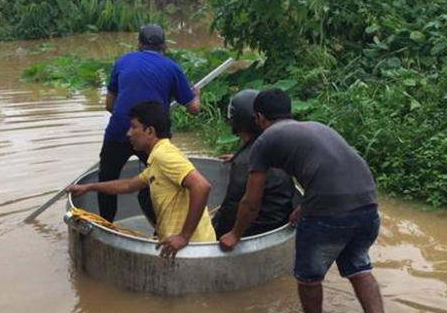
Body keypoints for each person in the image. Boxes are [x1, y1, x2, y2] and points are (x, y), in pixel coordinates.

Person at [219, 89, 395, 313]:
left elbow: (250, 202)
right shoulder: (314, 128)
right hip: (367, 203)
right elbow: (326, 169)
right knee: (359, 269)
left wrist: (234, 234)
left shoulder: (265, 141)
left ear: (259, 118)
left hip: (329, 211)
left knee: (308, 279)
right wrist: (302, 205)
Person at [69, 101, 216, 258]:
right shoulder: (157, 157)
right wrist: (89, 187)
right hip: (179, 246)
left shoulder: (164, 156)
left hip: (192, 248)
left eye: (133, 127)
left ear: (150, 131)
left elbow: (201, 186)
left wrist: (184, 236)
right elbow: (128, 185)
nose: (128, 133)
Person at [99, 24, 200, 223]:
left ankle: (106, 226)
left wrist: (129, 121)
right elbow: (194, 109)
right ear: (164, 45)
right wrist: (196, 95)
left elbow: (110, 105)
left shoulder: (122, 61)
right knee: (158, 181)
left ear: (139, 43)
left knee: (108, 180)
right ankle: (160, 225)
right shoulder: (172, 67)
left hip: (120, 130)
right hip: (151, 135)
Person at [213, 89, 296, 238]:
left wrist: (215, 233)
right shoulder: (278, 144)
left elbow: (232, 209)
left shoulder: (245, 162)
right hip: (281, 223)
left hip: (257, 231)